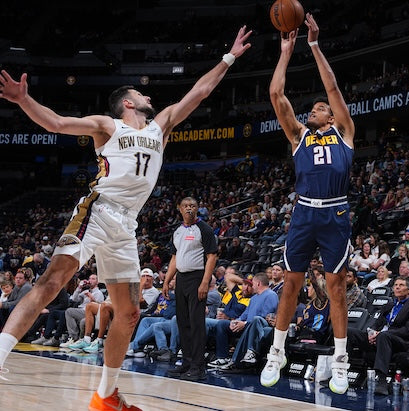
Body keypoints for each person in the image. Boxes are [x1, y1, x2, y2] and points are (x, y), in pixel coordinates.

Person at [0, 26, 252, 411]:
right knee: (52, 282)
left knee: (130, 312)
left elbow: (200, 91)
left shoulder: (160, 126)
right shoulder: (108, 126)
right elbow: (57, 123)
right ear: (128, 103)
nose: (149, 96)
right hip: (98, 210)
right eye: (141, 94)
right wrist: (23, 100)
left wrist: (229, 57)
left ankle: (105, 396)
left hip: (126, 226)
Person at [260, 14, 355, 395]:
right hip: (304, 211)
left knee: (336, 288)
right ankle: (276, 353)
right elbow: (276, 96)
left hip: (335, 210)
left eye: (319, 108)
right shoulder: (299, 136)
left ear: (331, 116)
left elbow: (332, 86)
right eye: (312, 109)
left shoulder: (344, 131)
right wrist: (286, 53)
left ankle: (341, 361)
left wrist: (314, 44)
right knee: (291, 284)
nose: (312, 110)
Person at [163, 197, 218, 382]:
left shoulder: (205, 229)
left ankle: (198, 367)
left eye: (192, 206)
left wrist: (205, 282)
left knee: (196, 324)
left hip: (197, 278)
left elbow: (212, 257)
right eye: (186, 206)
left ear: (197, 209)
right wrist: (167, 281)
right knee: (183, 323)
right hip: (181, 278)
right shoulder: (178, 231)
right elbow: (174, 258)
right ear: (180, 209)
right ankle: (186, 363)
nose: (189, 208)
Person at [347, 277, 409, 396]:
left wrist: (383, 334)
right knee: (349, 332)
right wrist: (372, 333)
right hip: (381, 337)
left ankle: (382, 380)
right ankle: (342, 370)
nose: (397, 287)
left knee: (384, 336)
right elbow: (377, 323)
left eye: (401, 285)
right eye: (396, 285)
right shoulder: (390, 304)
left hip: (401, 342)